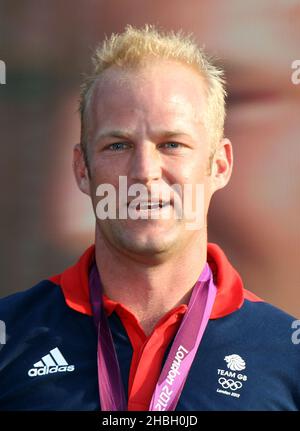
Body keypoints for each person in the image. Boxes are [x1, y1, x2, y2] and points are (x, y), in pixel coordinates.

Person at [0, 25, 299, 411]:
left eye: (171, 144)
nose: (144, 171)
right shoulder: (10, 337)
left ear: (220, 165)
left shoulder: (287, 357)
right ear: (82, 168)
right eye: (118, 145)